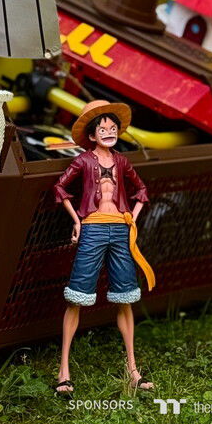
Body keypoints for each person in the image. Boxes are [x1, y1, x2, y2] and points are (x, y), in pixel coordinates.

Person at [53, 100, 156, 395]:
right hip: (93, 229)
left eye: (113, 128)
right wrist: (77, 221)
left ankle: (133, 369)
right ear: (92, 135)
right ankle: (63, 371)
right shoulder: (84, 161)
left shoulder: (121, 162)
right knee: (77, 295)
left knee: (126, 295)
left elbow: (142, 190)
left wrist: (131, 219)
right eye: (103, 129)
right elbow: (60, 187)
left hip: (120, 229)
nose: (109, 132)